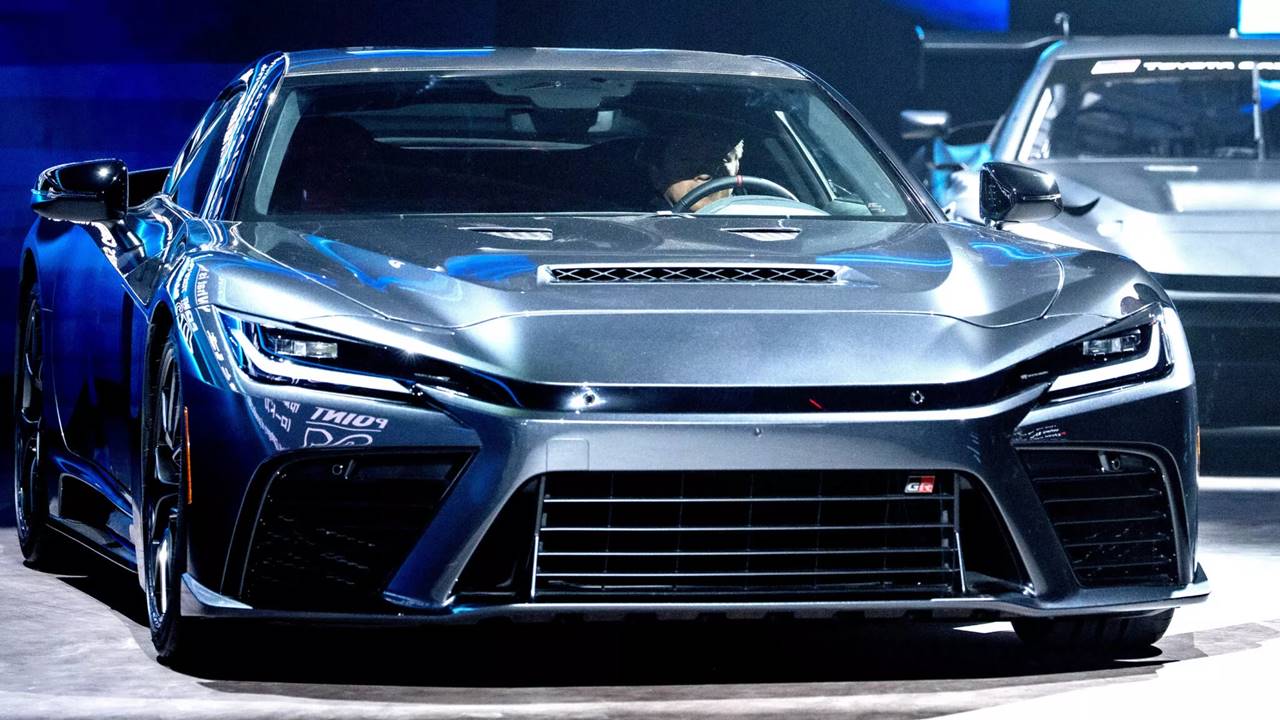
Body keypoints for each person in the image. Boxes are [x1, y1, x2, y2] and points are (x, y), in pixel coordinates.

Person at [648, 128, 745, 211]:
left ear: (736, 168)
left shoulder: (752, 216)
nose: (704, 176)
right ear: (657, 176)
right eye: (688, 160)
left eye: (717, 160)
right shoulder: (641, 223)